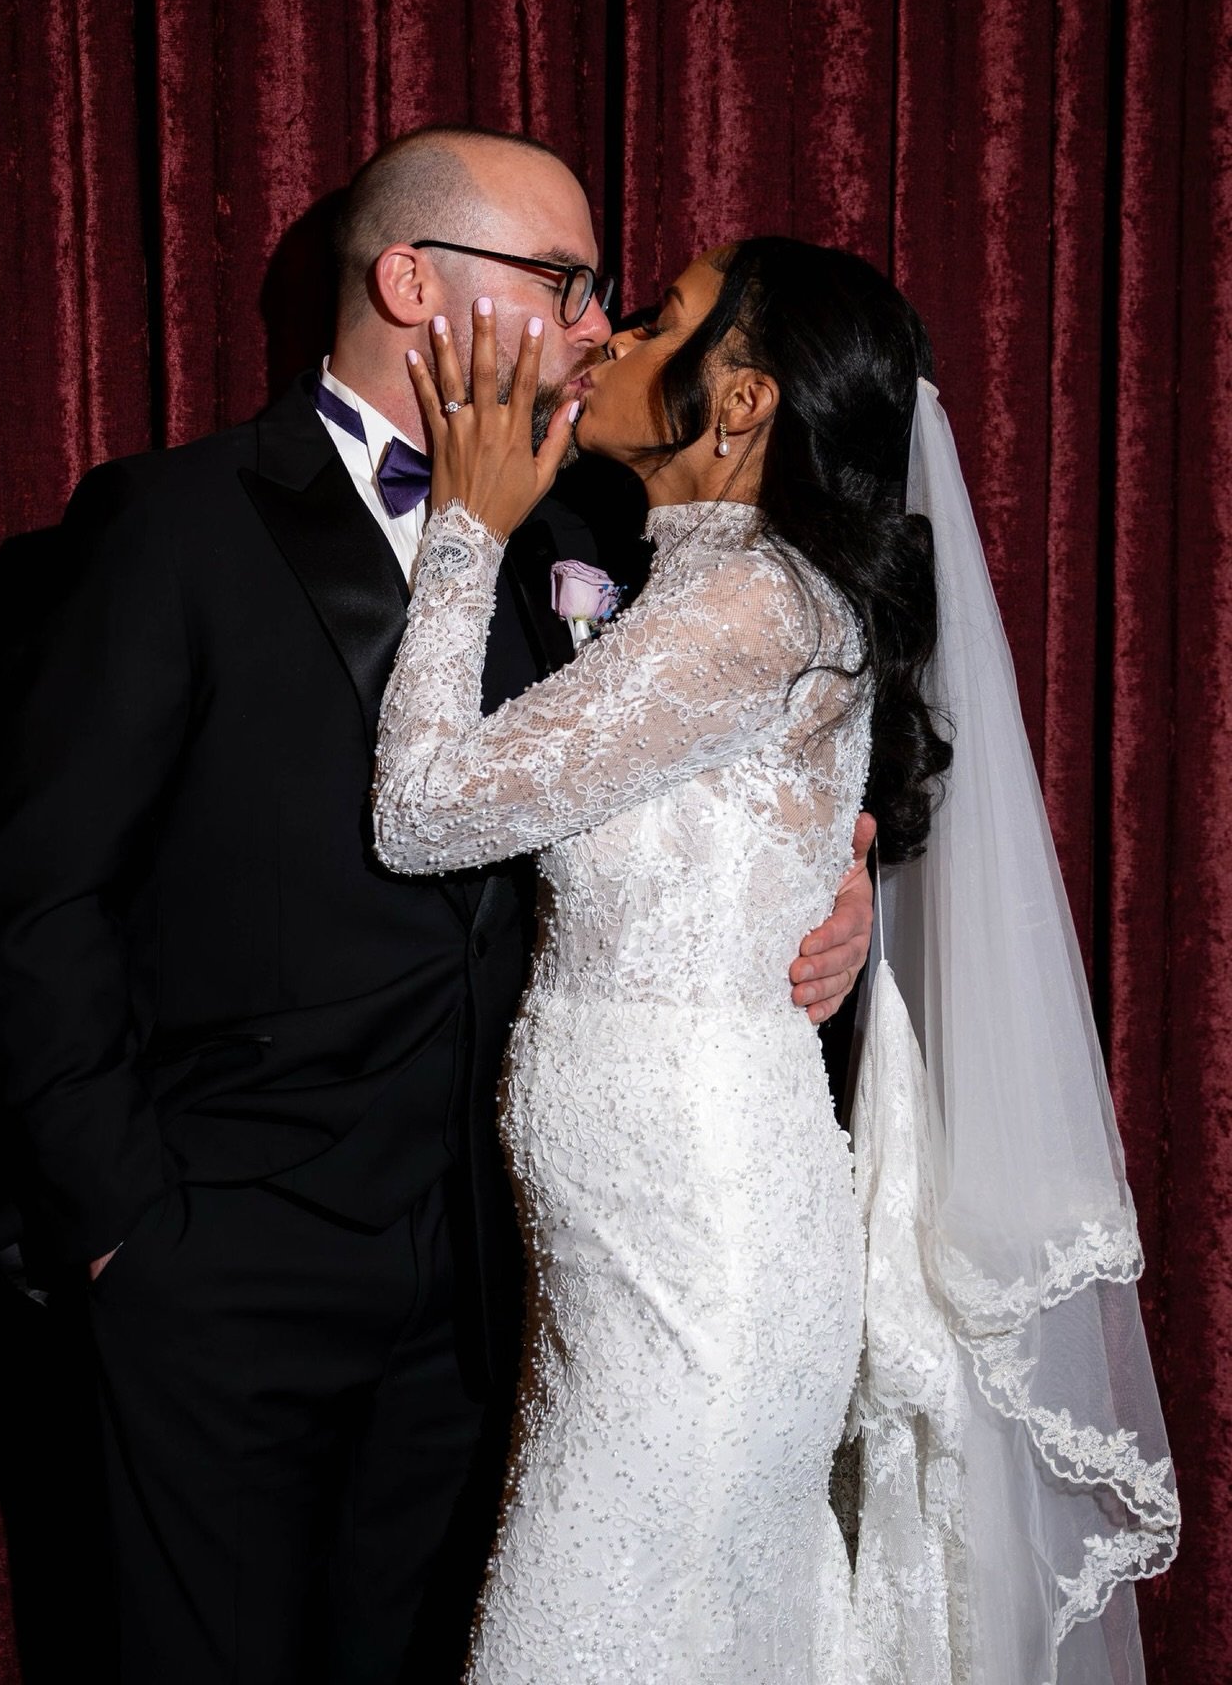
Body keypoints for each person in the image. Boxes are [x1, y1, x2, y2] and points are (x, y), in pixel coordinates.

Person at [0, 131, 874, 1684]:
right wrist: (126, 1229)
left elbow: (727, 786)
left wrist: (827, 890)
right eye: (566, 281)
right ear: (410, 284)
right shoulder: (173, 523)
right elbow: (35, 895)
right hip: (224, 1262)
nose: (597, 323)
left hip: (510, 1279)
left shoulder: (600, 545)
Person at [371, 236, 1177, 1681]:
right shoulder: (725, 588)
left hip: (700, 1247)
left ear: (740, 404)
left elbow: (425, 811)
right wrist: (838, 876)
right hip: (650, 1237)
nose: (612, 336)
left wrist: (466, 534)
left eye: (661, 320)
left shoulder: (749, 604)